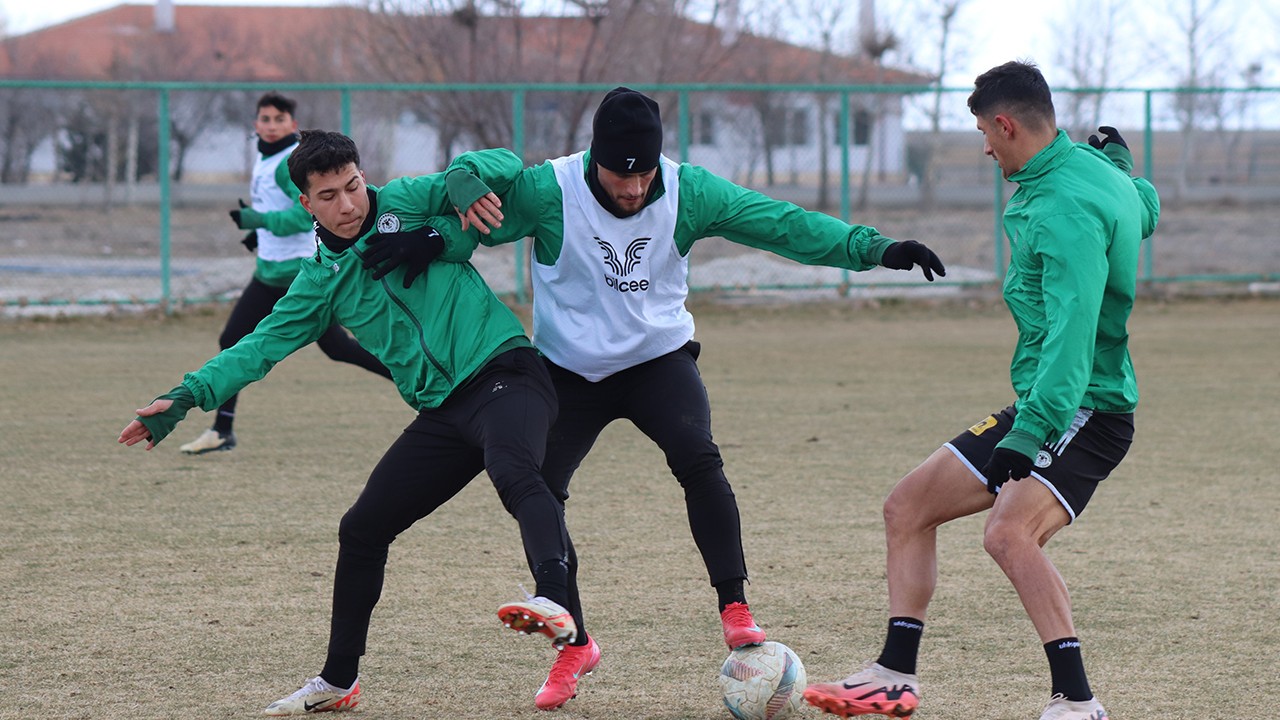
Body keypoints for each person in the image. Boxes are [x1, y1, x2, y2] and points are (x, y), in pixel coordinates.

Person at [416, 86, 946, 710]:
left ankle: (735, 605)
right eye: (621, 176)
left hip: (656, 360)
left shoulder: (689, 190)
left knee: (698, 456)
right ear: (595, 157)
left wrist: (876, 248)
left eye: (644, 176)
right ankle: (573, 640)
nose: (635, 189)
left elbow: (782, 224)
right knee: (537, 488)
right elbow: (468, 218)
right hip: (567, 370)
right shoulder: (548, 190)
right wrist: (422, 238)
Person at [119, 129, 585, 715]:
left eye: (354, 186)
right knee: (362, 528)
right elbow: (257, 347)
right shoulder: (319, 281)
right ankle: (339, 681)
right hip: (444, 408)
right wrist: (186, 397)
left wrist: (465, 180)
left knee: (514, 470)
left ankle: (550, 600)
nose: (349, 204)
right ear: (306, 205)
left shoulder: (406, 201)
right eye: (330, 195)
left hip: (506, 370)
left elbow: (507, 161)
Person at [802, 61, 1160, 720]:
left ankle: (1078, 702)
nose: (985, 148)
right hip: (1048, 402)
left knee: (1007, 535)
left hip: (1085, 407)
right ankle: (893, 676)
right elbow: (1143, 211)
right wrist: (1127, 173)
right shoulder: (1090, 174)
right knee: (906, 507)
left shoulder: (1065, 206)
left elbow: (1072, 339)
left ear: (1006, 124)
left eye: (984, 135)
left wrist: (1032, 430)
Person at [178, 92, 392, 455]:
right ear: (256, 124)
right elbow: (279, 211)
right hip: (269, 272)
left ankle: (423, 380)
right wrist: (257, 235)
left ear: (292, 125)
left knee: (338, 348)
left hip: (297, 274)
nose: (272, 125)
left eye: (280, 119)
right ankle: (222, 430)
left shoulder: (284, 165)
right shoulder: (265, 161)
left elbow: (301, 215)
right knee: (236, 340)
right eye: (266, 119)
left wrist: (260, 220)